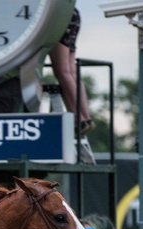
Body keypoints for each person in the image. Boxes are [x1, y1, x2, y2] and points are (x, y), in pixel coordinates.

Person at [49, 6, 94, 135]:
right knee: (71, 70)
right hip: (71, 12)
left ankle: (79, 118)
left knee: (62, 71)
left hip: (57, 15)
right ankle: (86, 117)